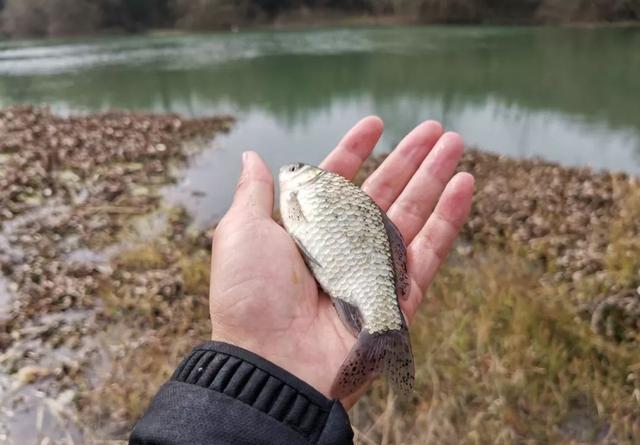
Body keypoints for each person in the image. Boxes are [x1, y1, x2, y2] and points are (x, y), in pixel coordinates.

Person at [129, 117, 474, 445]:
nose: (288, 173)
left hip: (351, 278)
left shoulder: (300, 193)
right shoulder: (316, 193)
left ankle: (385, 333)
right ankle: (384, 337)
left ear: (301, 177)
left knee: (380, 314)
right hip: (347, 280)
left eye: (294, 170)